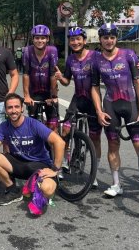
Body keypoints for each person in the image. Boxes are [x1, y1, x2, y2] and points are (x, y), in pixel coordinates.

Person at [91, 23, 139, 205]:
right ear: (100, 39)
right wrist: (99, 111)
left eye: (112, 37)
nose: (108, 41)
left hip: (131, 104)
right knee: (112, 145)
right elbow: (94, 87)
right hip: (110, 106)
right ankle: (116, 184)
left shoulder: (128, 55)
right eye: (105, 37)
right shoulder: (97, 60)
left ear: (116, 38)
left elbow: (138, 82)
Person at [0, 93, 64, 209]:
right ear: (5, 110)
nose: (13, 110)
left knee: (48, 190)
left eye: (16, 107)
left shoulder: (34, 124)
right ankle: (13, 190)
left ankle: (36, 187)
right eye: (10, 107)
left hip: (38, 165)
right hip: (18, 164)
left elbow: (59, 142)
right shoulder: (4, 126)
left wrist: (55, 170)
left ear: (22, 108)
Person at [54, 27, 102, 186]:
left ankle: (93, 173)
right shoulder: (70, 59)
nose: (75, 42)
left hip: (93, 100)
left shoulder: (95, 56)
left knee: (95, 138)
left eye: (78, 39)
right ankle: (63, 163)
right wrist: (61, 77)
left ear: (84, 40)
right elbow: (67, 81)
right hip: (78, 98)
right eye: (72, 40)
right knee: (66, 130)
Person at [22, 24, 59, 131]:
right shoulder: (27, 51)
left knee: (53, 126)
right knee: (33, 125)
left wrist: (53, 96)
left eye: (43, 38)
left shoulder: (52, 51)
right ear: (33, 39)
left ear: (47, 39)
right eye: (37, 38)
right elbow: (26, 74)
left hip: (48, 91)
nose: (40, 40)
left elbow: (53, 75)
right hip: (33, 92)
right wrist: (26, 96)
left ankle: (53, 146)